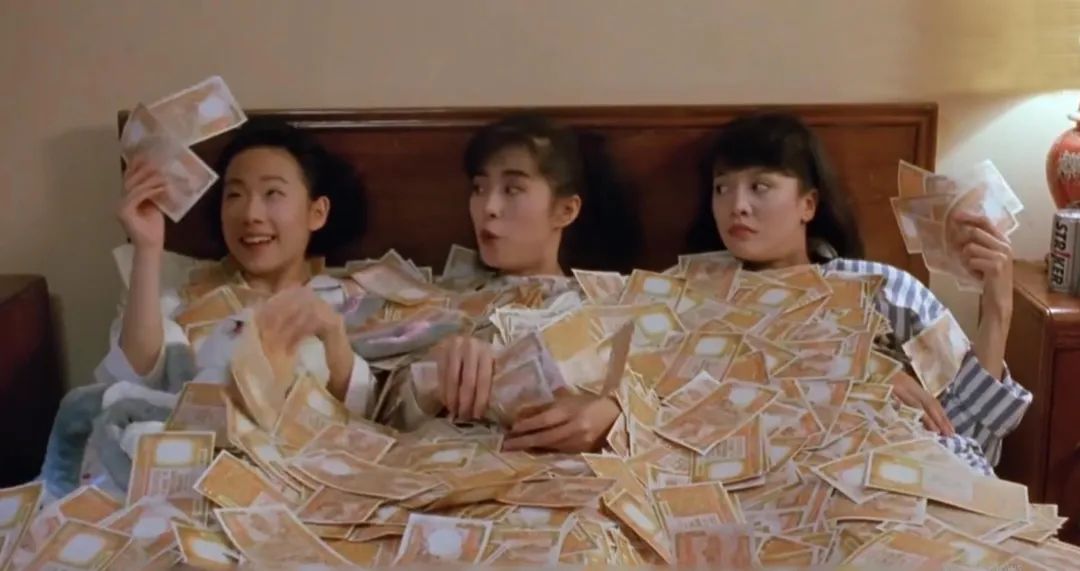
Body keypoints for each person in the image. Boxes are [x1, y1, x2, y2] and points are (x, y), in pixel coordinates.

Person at [682, 112, 1031, 474]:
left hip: (892, 480)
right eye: (722, 188)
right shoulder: (684, 300)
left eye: (759, 186)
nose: (737, 205)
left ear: (808, 204)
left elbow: (968, 435)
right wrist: (848, 373)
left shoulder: (884, 289)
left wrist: (998, 308)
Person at [42, 118, 375, 497]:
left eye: (273, 193)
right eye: (234, 195)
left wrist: (333, 336)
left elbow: (366, 421)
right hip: (181, 486)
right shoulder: (184, 301)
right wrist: (147, 249)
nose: (250, 214)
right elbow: (131, 381)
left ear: (317, 212)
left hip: (300, 487)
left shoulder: (355, 302)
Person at [425, 114, 642, 451]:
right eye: (479, 188)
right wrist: (434, 370)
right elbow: (374, 402)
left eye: (512, 189)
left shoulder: (612, 303)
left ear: (566, 211)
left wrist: (618, 416)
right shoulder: (432, 298)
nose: (489, 207)